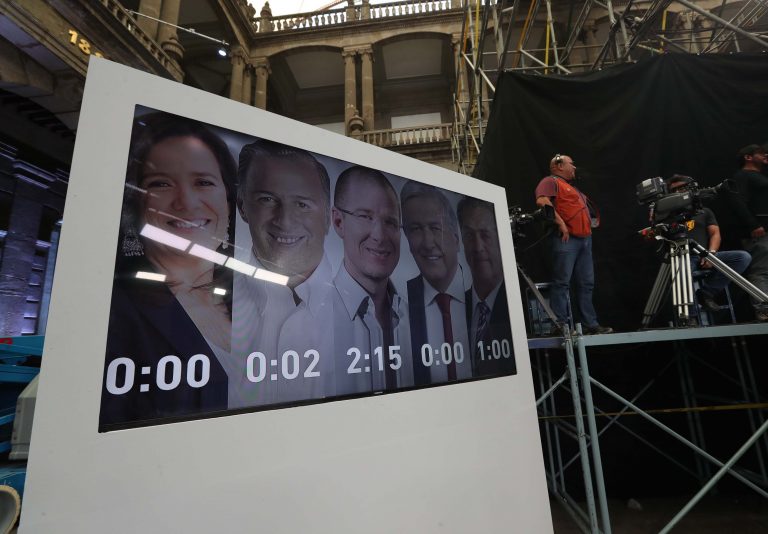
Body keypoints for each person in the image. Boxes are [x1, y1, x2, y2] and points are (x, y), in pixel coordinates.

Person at [99, 112, 237, 430]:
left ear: (229, 201)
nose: (186, 201)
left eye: (203, 182)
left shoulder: (256, 298)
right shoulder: (113, 311)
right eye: (161, 184)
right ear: (136, 203)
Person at [232, 139, 334, 406]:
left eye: (302, 204)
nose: (285, 220)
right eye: (267, 199)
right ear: (242, 206)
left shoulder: (373, 306)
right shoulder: (211, 301)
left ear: (328, 216)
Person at [331, 166, 413, 395]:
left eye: (390, 222)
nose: (379, 235)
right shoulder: (305, 324)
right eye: (365, 217)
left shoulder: (414, 319)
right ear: (338, 222)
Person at [401, 181, 471, 385]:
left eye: (435, 227)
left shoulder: (480, 297)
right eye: (415, 229)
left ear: (456, 238)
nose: (428, 242)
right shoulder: (398, 303)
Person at [534, 154, 612, 335]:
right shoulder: (550, 181)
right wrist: (560, 223)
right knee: (562, 282)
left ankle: (590, 324)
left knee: (586, 283)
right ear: (559, 165)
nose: (574, 167)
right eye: (571, 164)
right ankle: (560, 325)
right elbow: (542, 201)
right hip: (566, 239)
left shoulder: (572, 188)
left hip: (584, 240)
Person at [666, 175, 751, 313]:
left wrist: (711, 254)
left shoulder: (703, 211)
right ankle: (691, 316)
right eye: (673, 190)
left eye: (681, 188)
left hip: (704, 253)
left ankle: (706, 293)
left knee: (742, 257)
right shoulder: (667, 214)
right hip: (681, 257)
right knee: (682, 271)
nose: (678, 192)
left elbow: (715, 234)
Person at [457, 197, 516, 377]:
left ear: (500, 238)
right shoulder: (455, 308)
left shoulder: (515, 303)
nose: (478, 247)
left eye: (485, 234)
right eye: (469, 235)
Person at [728, 144, 768, 321]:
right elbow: (737, 202)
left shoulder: (759, 176)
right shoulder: (742, 176)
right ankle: (763, 309)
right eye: (761, 153)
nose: (766, 155)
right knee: (760, 270)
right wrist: (753, 225)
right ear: (748, 157)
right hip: (759, 232)